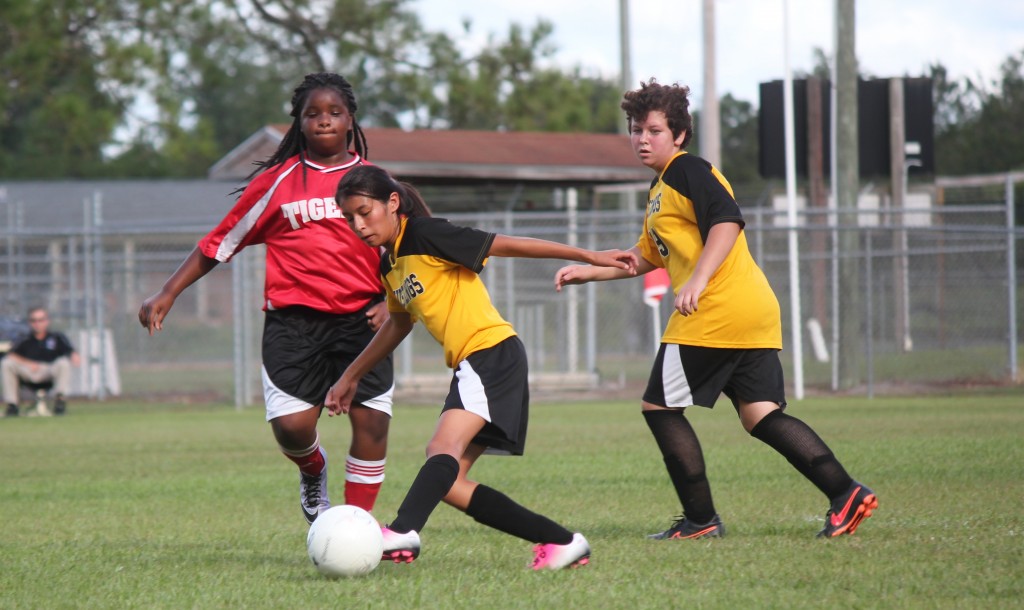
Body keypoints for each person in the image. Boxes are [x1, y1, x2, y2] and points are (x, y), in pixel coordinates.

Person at [554, 78, 877, 539]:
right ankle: (845, 492)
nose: (642, 138)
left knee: (659, 408)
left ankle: (700, 520)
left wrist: (699, 281)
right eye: (636, 129)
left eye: (654, 130)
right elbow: (646, 256)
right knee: (760, 415)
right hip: (750, 310)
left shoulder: (688, 170)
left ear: (679, 135)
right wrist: (589, 270)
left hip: (716, 311)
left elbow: (727, 221)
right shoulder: (662, 188)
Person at [324, 164, 638, 569]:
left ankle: (403, 530)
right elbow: (399, 322)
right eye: (350, 218)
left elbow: (504, 244)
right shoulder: (390, 264)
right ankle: (561, 541)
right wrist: (351, 376)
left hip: (491, 353)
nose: (359, 224)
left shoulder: (425, 234)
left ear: (393, 203)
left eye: (365, 212)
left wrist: (588, 255)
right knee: (450, 483)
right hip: (475, 363)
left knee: (440, 451)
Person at [138, 73, 395, 524]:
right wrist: (169, 291)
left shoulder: (375, 182)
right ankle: (313, 471)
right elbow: (220, 242)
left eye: (334, 112)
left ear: (351, 120)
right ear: (298, 122)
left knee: (372, 422)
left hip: (364, 322)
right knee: (293, 428)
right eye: (312, 113)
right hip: (294, 324)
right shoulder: (277, 183)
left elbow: (411, 246)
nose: (323, 121)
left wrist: (391, 302)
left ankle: (357, 527)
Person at [2, 307, 80, 417]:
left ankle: (60, 402)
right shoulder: (24, 338)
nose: (37, 324)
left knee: (63, 363)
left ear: (47, 321)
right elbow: (10, 354)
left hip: (49, 371)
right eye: (34, 320)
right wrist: (28, 364)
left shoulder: (57, 337)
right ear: (30, 323)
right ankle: (12, 405)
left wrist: (74, 356)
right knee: (7, 364)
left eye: (41, 320)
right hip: (28, 371)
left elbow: (70, 351)